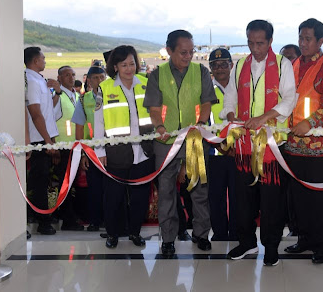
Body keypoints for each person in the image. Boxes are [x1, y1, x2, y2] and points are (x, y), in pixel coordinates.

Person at [222, 19, 297, 266]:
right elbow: (230, 96)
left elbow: (289, 100)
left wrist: (264, 118)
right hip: (244, 146)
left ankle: (271, 246)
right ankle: (246, 243)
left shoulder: (284, 65)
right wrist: (232, 117)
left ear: (270, 41)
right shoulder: (241, 65)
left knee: (271, 201)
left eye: (260, 43)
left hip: (271, 147)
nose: (255, 48)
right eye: (251, 43)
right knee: (243, 199)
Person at [143, 30, 216, 257]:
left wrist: (201, 123)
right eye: (183, 52)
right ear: (169, 51)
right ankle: (168, 239)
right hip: (166, 143)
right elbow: (154, 109)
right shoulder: (157, 75)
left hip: (194, 140)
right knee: (166, 192)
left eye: (191, 52)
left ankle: (201, 234)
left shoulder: (200, 71)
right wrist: (160, 127)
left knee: (199, 191)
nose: (188, 56)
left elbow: (206, 102)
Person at [283, 18, 323, 264]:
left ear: (320, 41)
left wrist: (310, 123)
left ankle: (320, 245)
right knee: (299, 198)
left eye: (308, 39)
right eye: (300, 38)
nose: (303, 43)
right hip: (292, 146)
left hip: (319, 147)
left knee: (319, 200)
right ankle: (304, 239)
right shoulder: (293, 64)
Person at [94, 45, 155, 249]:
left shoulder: (146, 84)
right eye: (124, 65)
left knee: (140, 198)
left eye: (132, 63)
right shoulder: (105, 88)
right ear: (115, 67)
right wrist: (100, 151)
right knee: (113, 197)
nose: (129, 69)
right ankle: (112, 234)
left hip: (144, 152)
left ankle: (135, 233)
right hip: (116, 152)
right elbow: (99, 123)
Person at [24, 47, 60, 235]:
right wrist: (47, 141)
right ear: (36, 60)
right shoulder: (30, 80)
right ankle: (41, 221)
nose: (45, 61)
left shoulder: (39, 80)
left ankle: (41, 216)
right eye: (43, 58)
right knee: (38, 182)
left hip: (44, 138)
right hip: (38, 140)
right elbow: (36, 114)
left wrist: (58, 91)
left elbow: (47, 111)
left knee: (42, 180)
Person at [207, 48, 238, 241]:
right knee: (215, 196)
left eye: (224, 64)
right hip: (215, 152)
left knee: (238, 197)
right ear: (210, 68)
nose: (220, 69)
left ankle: (236, 232)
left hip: (239, 152)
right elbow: (202, 122)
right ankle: (219, 233)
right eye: (215, 65)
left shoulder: (241, 88)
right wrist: (219, 145)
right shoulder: (206, 91)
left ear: (231, 65)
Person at [72, 62, 106, 231]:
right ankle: (95, 220)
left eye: (102, 77)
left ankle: (112, 219)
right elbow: (79, 128)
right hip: (92, 151)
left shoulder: (114, 95)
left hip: (112, 149)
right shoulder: (84, 99)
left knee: (112, 188)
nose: (99, 81)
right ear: (89, 81)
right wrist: (83, 154)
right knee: (94, 187)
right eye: (95, 78)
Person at [52, 65, 84, 231]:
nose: (71, 78)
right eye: (66, 75)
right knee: (65, 184)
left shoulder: (76, 95)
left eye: (73, 74)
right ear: (59, 78)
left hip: (75, 146)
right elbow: (50, 118)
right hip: (62, 146)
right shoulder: (57, 95)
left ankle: (71, 215)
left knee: (72, 184)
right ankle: (67, 219)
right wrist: (54, 145)